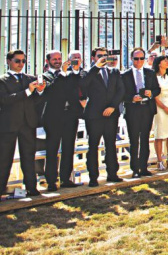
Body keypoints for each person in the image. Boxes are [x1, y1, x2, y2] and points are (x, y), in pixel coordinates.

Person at [0, 50, 47, 197]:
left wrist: (40, 91)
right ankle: (1, 189)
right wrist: (28, 91)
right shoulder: (3, 80)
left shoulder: (30, 79)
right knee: (4, 158)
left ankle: (31, 188)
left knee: (28, 157)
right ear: (8, 61)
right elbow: (5, 100)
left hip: (28, 123)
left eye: (23, 61)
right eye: (17, 61)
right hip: (9, 124)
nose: (20, 64)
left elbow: (36, 102)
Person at [79, 48, 126, 186]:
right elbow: (83, 85)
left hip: (111, 114)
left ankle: (112, 173)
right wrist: (96, 67)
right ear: (93, 57)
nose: (103, 58)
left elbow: (120, 90)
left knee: (111, 144)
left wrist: (112, 106)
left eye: (105, 56)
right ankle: (93, 177)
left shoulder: (114, 71)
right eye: (100, 56)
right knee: (93, 145)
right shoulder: (88, 72)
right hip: (94, 115)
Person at [39, 50, 84, 190]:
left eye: (59, 58)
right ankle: (51, 181)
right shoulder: (45, 76)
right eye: (54, 59)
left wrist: (75, 71)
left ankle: (66, 179)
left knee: (69, 147)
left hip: (70, 115)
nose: (58, 61)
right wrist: (62, 74)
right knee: (52, 149)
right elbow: (50, 91)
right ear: (48, 61)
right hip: (53, 118)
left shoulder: (68, 74)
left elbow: (78, 85)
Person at [121, 47, 161, 178]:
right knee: (134, 140)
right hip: (133, 109)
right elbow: (120, 94)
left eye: (142, 58)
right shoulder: (125, 75)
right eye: (136, 58)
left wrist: (151, 93)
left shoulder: (150, 73)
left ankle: (144, 167)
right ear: (131, 59)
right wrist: (131, 98)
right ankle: (135, 168)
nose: (139, 61)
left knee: (145, 139)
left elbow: (157, 89)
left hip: (146, 109)